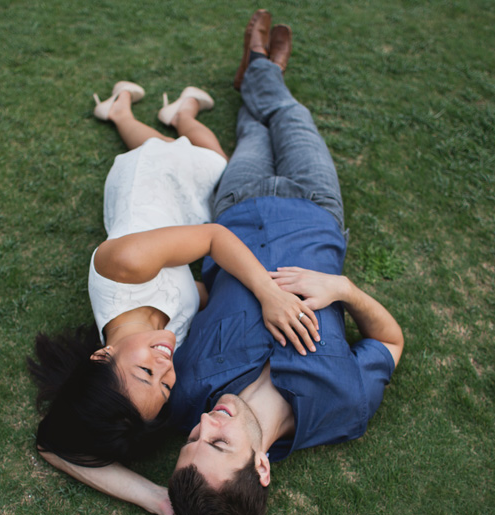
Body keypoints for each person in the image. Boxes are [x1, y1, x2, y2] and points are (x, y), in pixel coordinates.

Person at [166, 10, 404, 515]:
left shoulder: (183, 392)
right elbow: (390, 340)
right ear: (263, 467)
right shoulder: (345, 406)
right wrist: (343, 290)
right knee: (290, 114)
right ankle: (261, 69)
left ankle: (258, 67)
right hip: (317, 209)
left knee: (253, 128)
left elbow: (60, 445)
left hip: (239, 205)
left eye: (193, 438)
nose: (208, 423)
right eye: (219, 443)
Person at [29, 73, 319, 471]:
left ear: (102, 356)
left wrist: (268, 293)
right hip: (178, 221)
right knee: (184, 158)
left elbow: (215, 238)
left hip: (146, 186)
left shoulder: (122, 269)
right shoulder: (167, 345)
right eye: (165, 386)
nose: (167, 367)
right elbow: (192, 294)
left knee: (210, 161)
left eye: (146, 371)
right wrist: (155, 501)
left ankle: (162, 114)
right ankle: (135, 111)